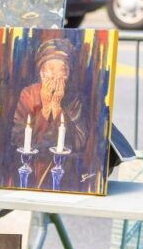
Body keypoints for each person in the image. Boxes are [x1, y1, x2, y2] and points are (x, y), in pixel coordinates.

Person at [10, 39, 88, 190]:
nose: (56, 76)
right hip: (31, 166)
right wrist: (45, 109)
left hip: (65, 168)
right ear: (42, 73)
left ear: (68, 74)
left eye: (62, 70)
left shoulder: (73, 98)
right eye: (52, 69)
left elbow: (79, 141)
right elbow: (18, 137)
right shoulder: (29, 94)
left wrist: (57, 107)